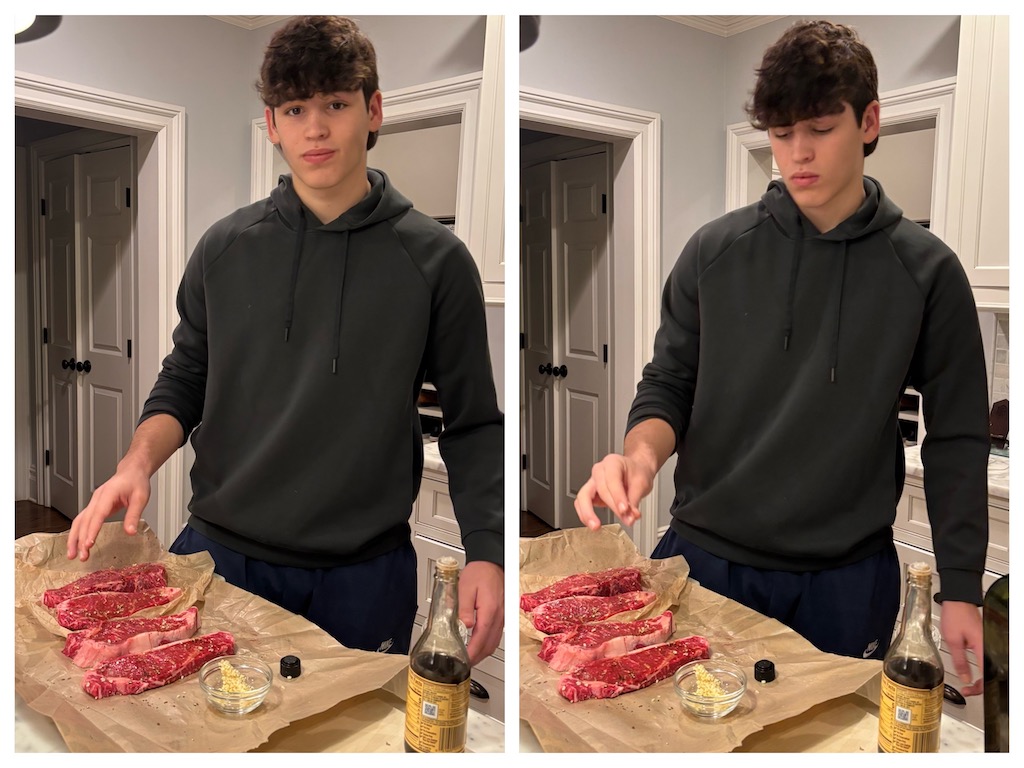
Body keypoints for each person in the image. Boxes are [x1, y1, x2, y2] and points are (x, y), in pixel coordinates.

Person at [65, 16, 504, 666]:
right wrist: (134, 466)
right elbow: (184, 380)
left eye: (334, 103)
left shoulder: (436, 261)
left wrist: (487, 553)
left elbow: (472, 424)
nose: (315, 128)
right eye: (294, 108)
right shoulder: (224, 248)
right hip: (222, 556)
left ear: (372, 110)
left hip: (360, 576)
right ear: (272, 123)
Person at [575, 20, 989, 693]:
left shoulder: (927, 272)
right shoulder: (714, 252)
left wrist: (962, 588)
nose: (797, 152)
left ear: (869, 122)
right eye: (781, 131)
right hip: (708, 562)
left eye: (821, 128)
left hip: (846, 580)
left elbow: (958, 438)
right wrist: (640, 456)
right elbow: (669, 383)